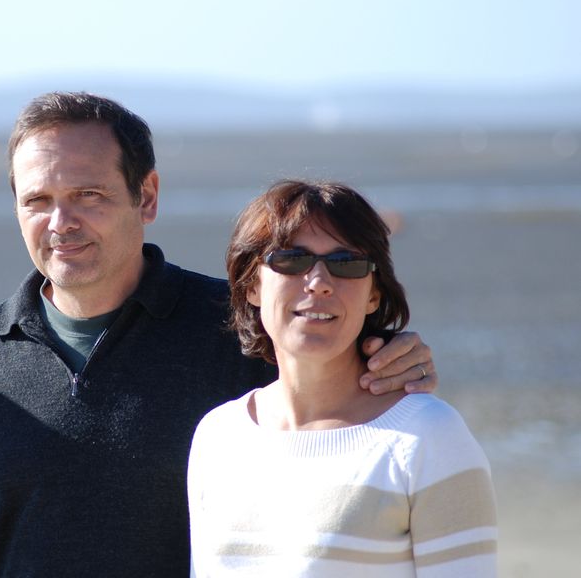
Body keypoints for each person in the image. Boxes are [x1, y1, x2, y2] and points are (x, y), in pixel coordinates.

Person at [0, 92, 439, 578]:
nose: (61, 222)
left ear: (146, 196)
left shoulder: (242, 328)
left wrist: (389, 357)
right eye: (38, 200)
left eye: (88, 195)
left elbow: (358, 422)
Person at [188, 180, 497, 577]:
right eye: (292, 260)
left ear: (374, 295)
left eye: (346, 263)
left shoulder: (427, 438)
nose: (318, 282)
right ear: (252, 286)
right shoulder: (218, 436)